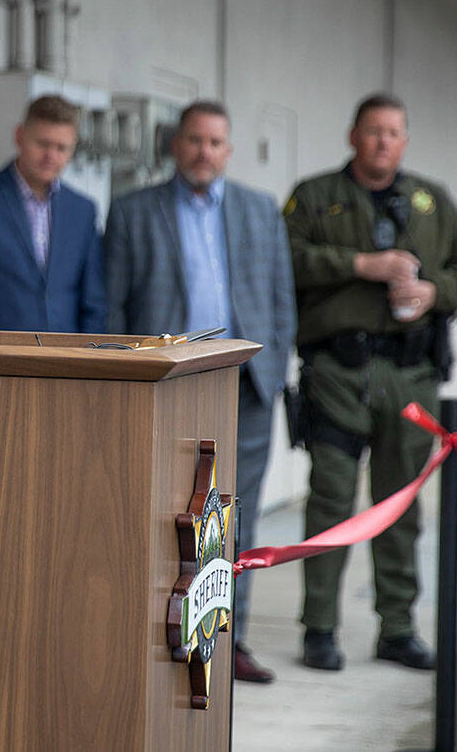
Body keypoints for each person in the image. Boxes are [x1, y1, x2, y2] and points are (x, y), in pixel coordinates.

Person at [284, 93, 457, 672]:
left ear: (404, 141)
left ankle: (397, 627)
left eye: (394, 133)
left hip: (410, 374)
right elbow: (285, 257)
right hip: (337, 373)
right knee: (330, 498)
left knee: (399, 502)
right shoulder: (316, 196)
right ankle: (319, 628)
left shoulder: (430, 202)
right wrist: (358, 265)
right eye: (373, 131)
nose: (382, 142)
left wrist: (433, 293)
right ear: (353, 135)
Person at [102, 99, 295, 683]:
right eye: (193, 140)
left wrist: (277, 366)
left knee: (241, 516)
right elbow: (113, 306)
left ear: (228, 150)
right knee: (166, 512)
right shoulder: (134, 212)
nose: (203, 151)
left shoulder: (261, 211)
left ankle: (230, 639)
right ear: (174, 144)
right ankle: (163, 634)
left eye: (214, 142)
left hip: (247, 385)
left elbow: (282, 300)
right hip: (168, 383)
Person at [0, 94, 106, 332]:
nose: (51, 156)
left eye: (61, 147)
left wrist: (91, 362)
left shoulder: (83, 211)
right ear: (20, 136)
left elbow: (93, 303)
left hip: (66, 362)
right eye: (43, 144)